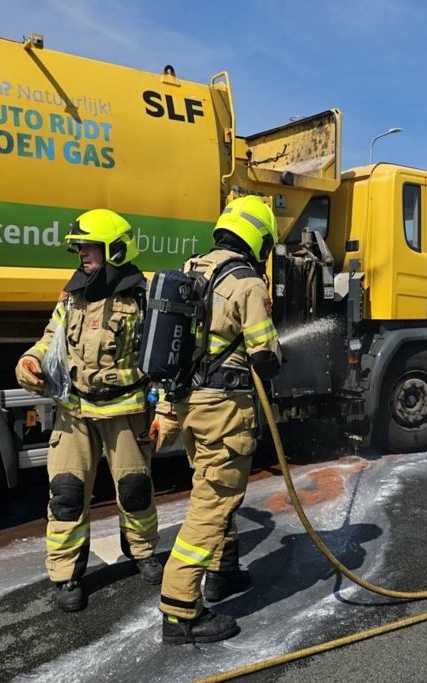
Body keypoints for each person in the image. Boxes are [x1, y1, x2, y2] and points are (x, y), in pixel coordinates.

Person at [15, 209, 162, 613]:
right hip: (74, 411)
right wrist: (29, 361)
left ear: (115, 249)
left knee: (135, 490)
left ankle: (144, 552)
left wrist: (164, 408)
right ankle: (66, 576)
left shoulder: (145, 297)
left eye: (89, 246)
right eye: (79, 247)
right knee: (66, 493)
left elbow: (165, 359)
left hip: (126, 412)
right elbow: (51, 340)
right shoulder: (71, 296)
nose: (82, 254)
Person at [153, 195, 283, 645]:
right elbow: (266, 356)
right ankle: (179, 610)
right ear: (259, 239)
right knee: (214, 502)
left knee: (212, 488)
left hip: (190, 403)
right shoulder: (246, 283)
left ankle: (223, 573)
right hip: (224, 410)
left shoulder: (193, 271)